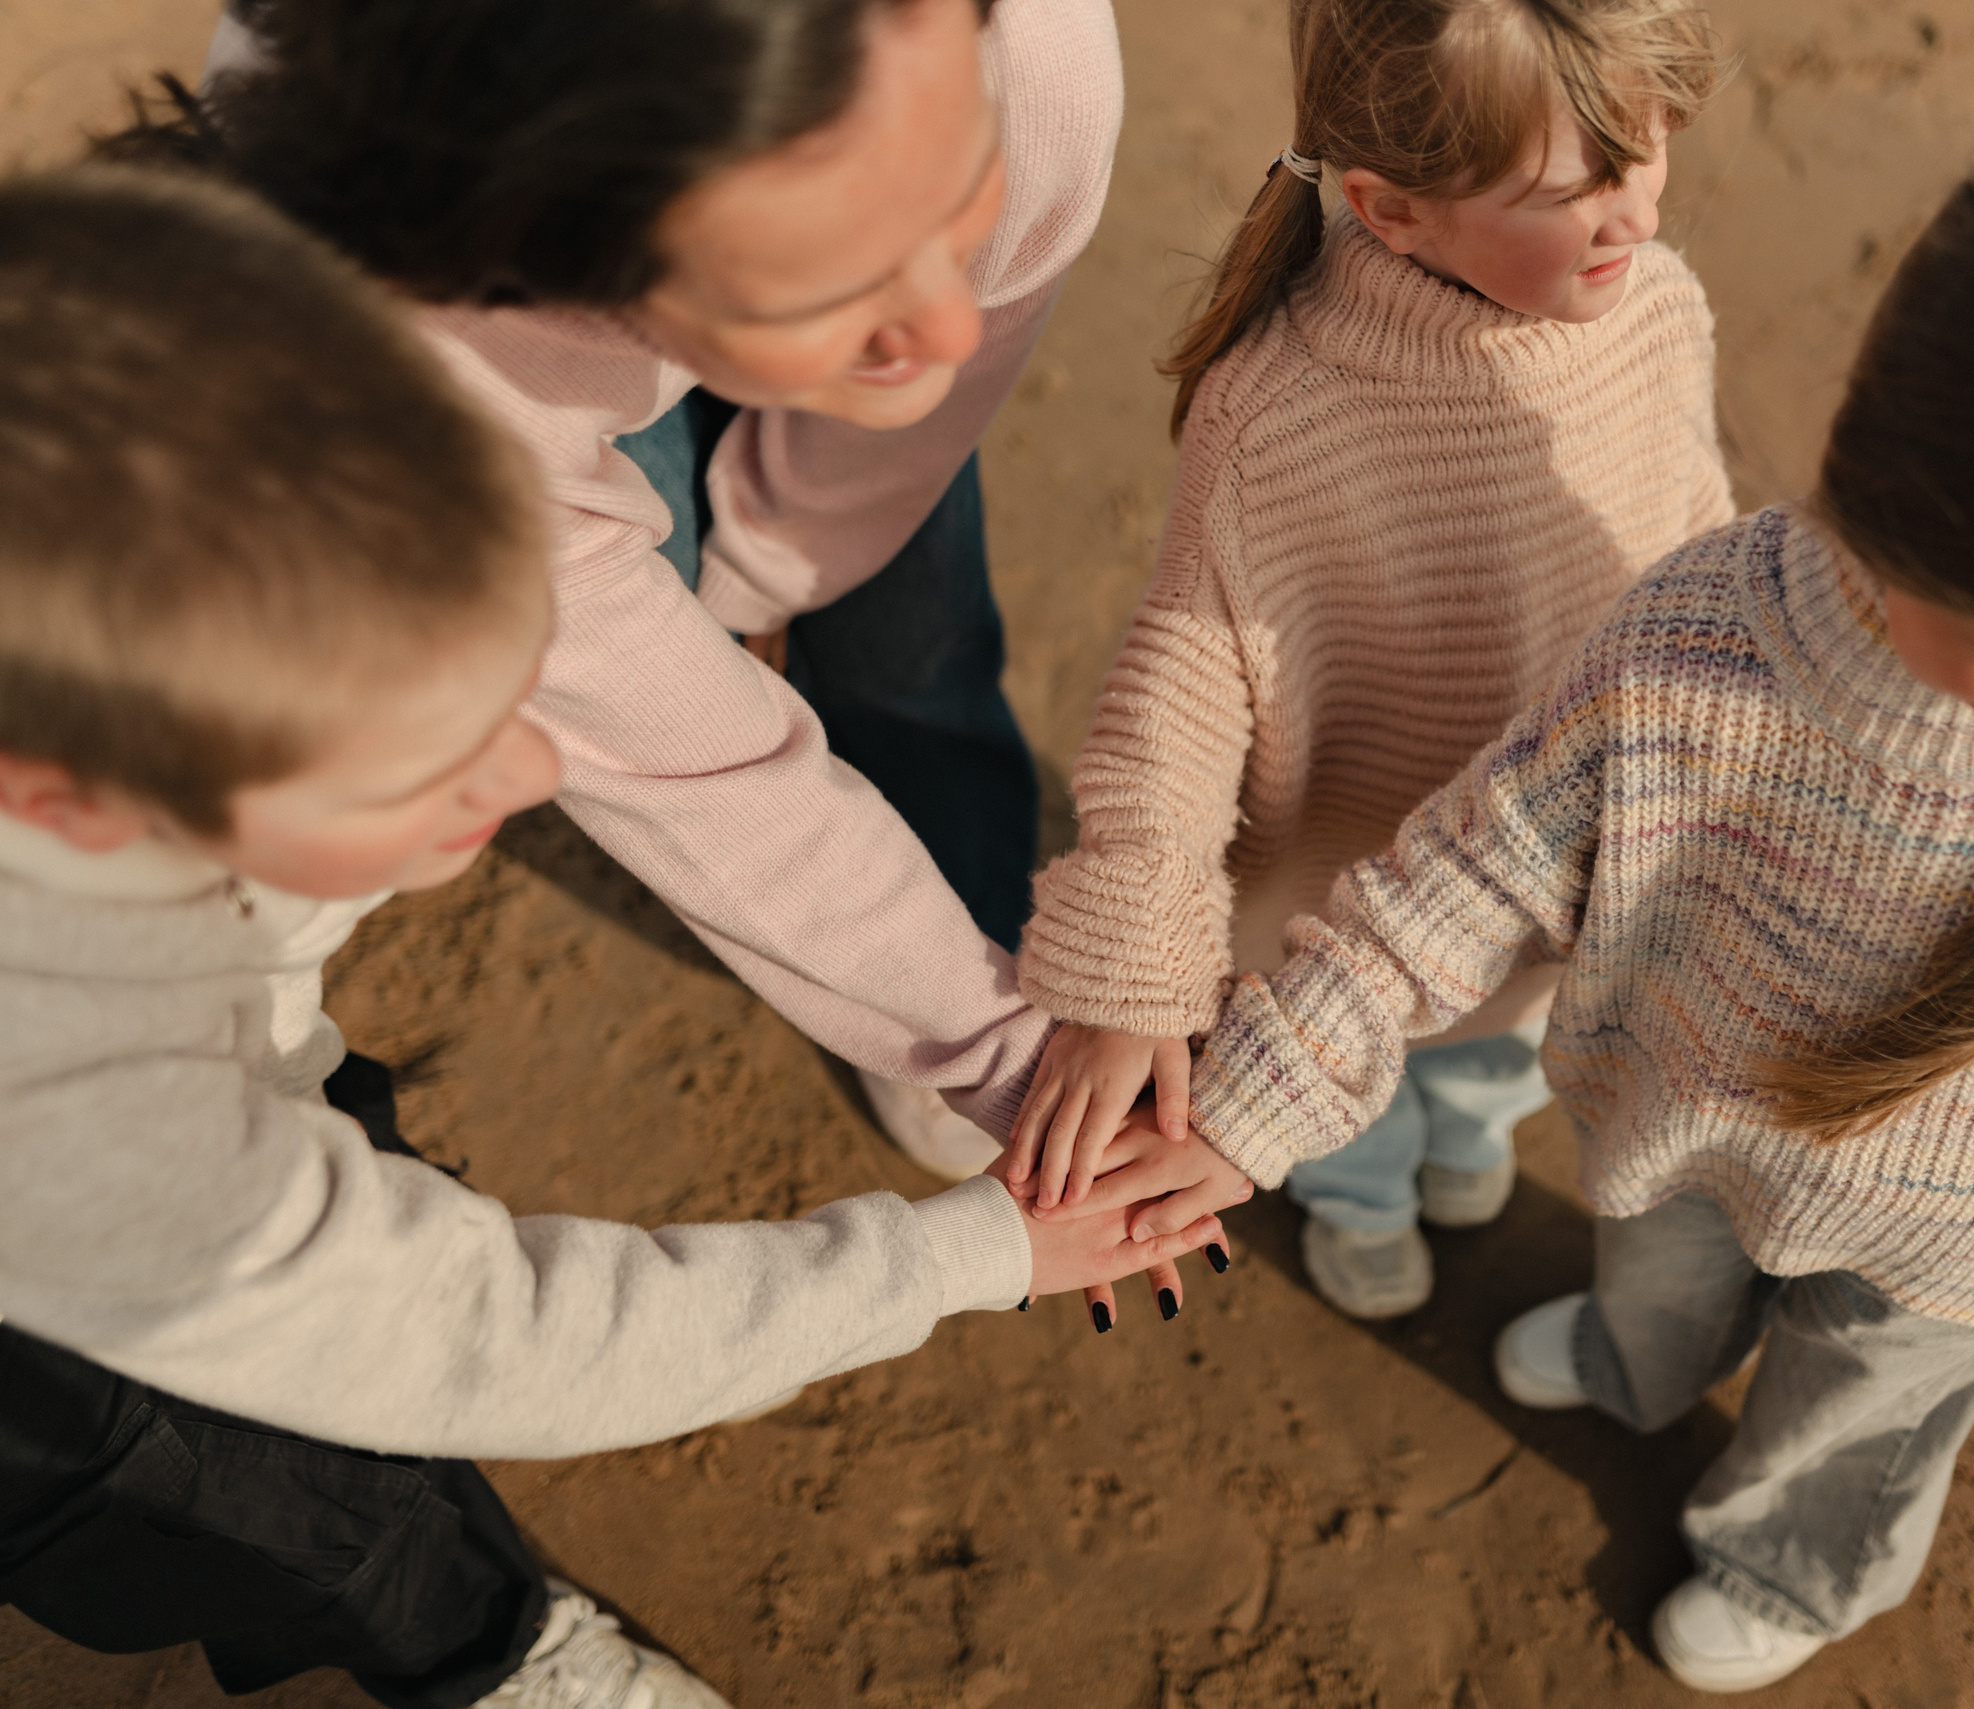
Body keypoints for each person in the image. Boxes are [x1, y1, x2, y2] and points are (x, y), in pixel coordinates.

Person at [1166, 88, 1974, 1689]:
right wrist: (1243, 1108)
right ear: (1889, 501)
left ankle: (1793, 1564)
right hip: (1685, 1123)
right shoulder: (1706, 639)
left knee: (1860, 1417)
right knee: (1655, 1289)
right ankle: (1631, 1367)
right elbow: (1460, 879)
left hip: (1968, 1237)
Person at [0, 167, 1224, 1709]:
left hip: (216, 1074)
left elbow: (664, 748)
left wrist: (1000, 1043)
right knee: (278, 1502)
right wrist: (965, 1251)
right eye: (430, 749)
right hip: (82, 1332)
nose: (526, 779)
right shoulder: (87, 1125)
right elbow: (490, 1331)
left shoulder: (154, 633)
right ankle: (500, 1653)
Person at [135, 0, 1124, 1181]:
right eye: (825, 291)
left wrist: (768, 565)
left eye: (955, 191)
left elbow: (938, 386)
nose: (948, 314)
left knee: (913, 644)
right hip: (506, 303)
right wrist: (986, 1051)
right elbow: (680, 755)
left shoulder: (1033, 51)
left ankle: (969, 913)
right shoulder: (427, 359)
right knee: (635, 607)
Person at [1003, 0, 1732, 1319]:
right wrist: (1129, 980)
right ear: (1393, 210)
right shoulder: (1276, 407)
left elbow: (1697, 545)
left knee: (1495, 1064)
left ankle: (1462, 1142)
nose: (1633, 216)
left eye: (1644, 155)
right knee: (1347, 1111)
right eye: (1576, 191)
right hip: (1332, 921)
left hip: (1550, 891)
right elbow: (1181, 684)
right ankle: (1361, 1195)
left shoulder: (1659, 311)